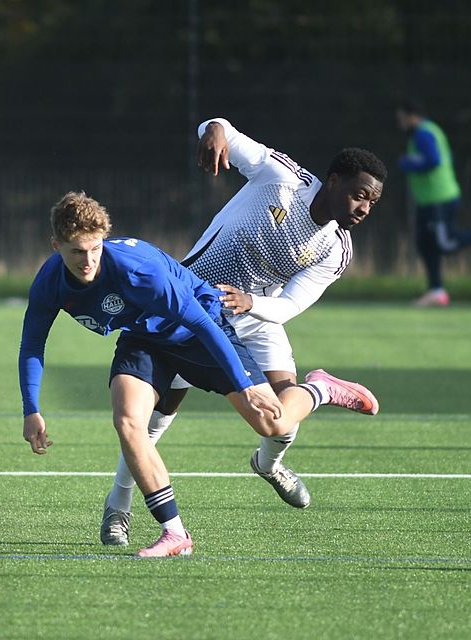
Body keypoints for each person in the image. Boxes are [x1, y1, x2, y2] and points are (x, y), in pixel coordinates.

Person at [19, 190, 357, 558]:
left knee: (271, 424)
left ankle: (318, 389)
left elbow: (200, 323)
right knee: (129, 422)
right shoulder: (49, 282)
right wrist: (31, 409)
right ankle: (174, 533)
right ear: (56, 245)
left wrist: (244, 386)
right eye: (76, 251)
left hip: (197, 331)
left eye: (95, 249)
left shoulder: (136, 271)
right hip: (144, 339)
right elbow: (32, 345)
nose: (88, 261)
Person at [100, 118, 386, 546]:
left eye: (371, 203)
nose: (364, 208)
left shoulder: (336, 249)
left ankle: (270, 464)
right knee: (153, 424)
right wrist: (213, 129)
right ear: (334, 180)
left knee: (281, 420)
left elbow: (290, 305)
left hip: (258, 318)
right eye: (359, 195)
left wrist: (252, 304)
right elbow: (221, 131)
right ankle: (117, 508)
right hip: (192, 308)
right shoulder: (281, 178)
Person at [396, 100, 471, 307]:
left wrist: (407, 163)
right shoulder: (429, 131)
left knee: (445, 243)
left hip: (438, 199)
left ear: (412, 116)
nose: (400, 123)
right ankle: (436, 291)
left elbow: (433, 161)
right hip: (428, 200)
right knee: (425, 244)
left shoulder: (424, 134)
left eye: (402, 118)